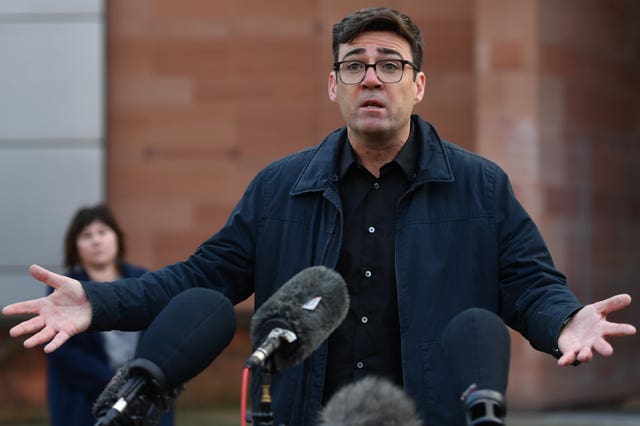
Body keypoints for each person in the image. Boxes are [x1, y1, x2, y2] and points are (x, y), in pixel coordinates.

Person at [2, 7, 636, 425]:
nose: (372, 79)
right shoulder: (280, 188)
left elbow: (528, 284)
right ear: (333, 85)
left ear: (419, 85)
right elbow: (202, 281)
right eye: (354, 65)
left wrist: (565, 320)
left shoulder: (480, 186)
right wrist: (98, 302)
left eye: (391, 65)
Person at [44, 204, 175, 426]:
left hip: (143, 392)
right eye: (86, 235)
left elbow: (164, 335)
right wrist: (110, 379)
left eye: (103, 232)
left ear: (116, 237)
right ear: (74, 246)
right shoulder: (62, 290)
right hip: (85, 400)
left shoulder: (142, 280)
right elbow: (61, 353)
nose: (96, 241)